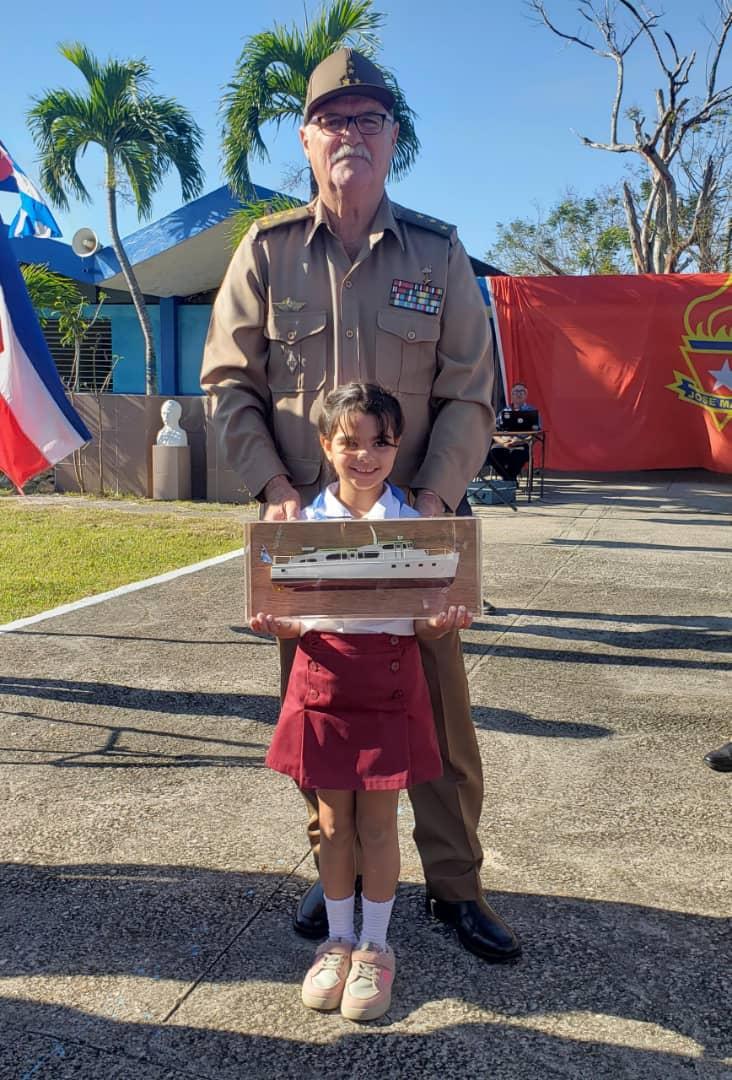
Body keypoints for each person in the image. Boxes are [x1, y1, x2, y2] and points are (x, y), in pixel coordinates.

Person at [201, 47, 521, 963]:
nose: (352, 134)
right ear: (305, 139)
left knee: (441, 719)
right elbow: (229, 383)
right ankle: (335, 873)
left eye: (370, 120)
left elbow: (470, 390)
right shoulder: (265, 254)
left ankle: (455, 887)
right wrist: (274, 495)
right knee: (320, 719)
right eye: (333, 120)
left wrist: (433, 499)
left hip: (416, 531)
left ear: (393, 141)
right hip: (305, 541)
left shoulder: (439, 250)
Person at [251, 382, 473, 1020]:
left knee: (377, 825)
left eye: (381, 442)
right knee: (330, 825)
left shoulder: (419, 526)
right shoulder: (299, 527)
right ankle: (337, 939)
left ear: (398, 447)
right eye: (350, 442)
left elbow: (427, 623)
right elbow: (296, 618)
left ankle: (376, 946)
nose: (366, 455)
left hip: (391, 683)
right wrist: (280, 624)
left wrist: (444, 619)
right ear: (326, 446)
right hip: (323, 680)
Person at [486, 383, 541, 482]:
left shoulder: (532, 412)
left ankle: (507, 480)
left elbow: (536, 433)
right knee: (491, 454)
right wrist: (503, 442)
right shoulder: (504, 412)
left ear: (526, 395)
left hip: (522, 443)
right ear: (511, 395)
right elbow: (493, 431)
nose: (519, 394)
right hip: (504, 443)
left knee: (518, 455)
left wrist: (519, 442)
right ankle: (510, 479)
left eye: (522, 391)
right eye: (516, 391)